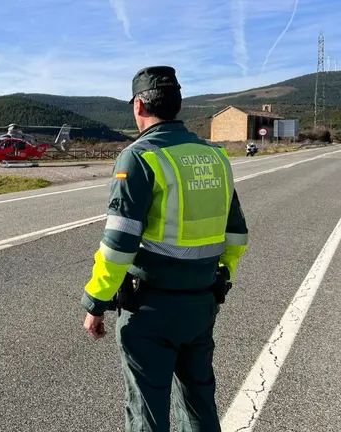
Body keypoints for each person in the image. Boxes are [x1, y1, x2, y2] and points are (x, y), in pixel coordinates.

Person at [80, 66, 249, 432]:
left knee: (147, 413)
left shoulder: (139, 156)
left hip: (150, 310)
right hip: (202, 302)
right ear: (177, 104)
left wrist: (96, 301)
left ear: (139, 106)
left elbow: (119, 244)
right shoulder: (216, 157)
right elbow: (236, 235)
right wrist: (221, 278)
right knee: (199, 404)